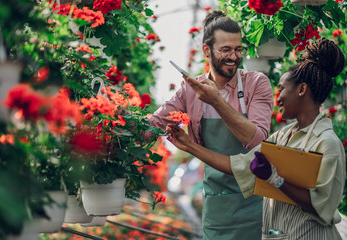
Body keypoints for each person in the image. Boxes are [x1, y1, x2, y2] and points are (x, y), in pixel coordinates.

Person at [167, 38, 346, 240]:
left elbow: (319, 205)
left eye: (282, 88)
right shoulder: (283, 136)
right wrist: (189, 146)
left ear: (301, 90)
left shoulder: (327, 143)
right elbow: (238, 165)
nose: (277, 97)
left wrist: (274, 178)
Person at [147, 10, 274, 239]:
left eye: (238, 49)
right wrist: (117, 127)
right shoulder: (191, 90)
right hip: (217, 208)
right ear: (207, 50)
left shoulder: (256, 83)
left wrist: (216, 101)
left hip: (256, 206)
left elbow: (257, 141)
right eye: (225, 49)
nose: (234, 56)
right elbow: (155, 122)